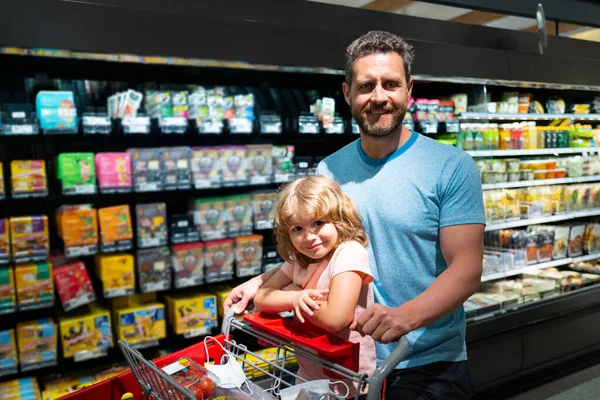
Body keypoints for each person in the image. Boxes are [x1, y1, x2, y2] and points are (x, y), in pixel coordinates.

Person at [225, 30, 485, 399]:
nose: (379, 97)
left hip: (426, 363)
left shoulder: (451, 167)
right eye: (366, 86)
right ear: (347, 93)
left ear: (409, 89)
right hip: (343, 361)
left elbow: (467, 269)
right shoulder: (330, 169)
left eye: (390, 84)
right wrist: (262, 282)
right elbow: (317, 252)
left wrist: (405, 316)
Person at [253, 175, 375, 397]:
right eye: (297, 229)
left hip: (347, 379)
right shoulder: (300, 259)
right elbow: (261, 297)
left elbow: (336, 319)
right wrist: (293, 299)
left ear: (340, 219)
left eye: (318, 223)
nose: (309, 237)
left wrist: (293, 292)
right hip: (308, 371)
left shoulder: (348, 253)